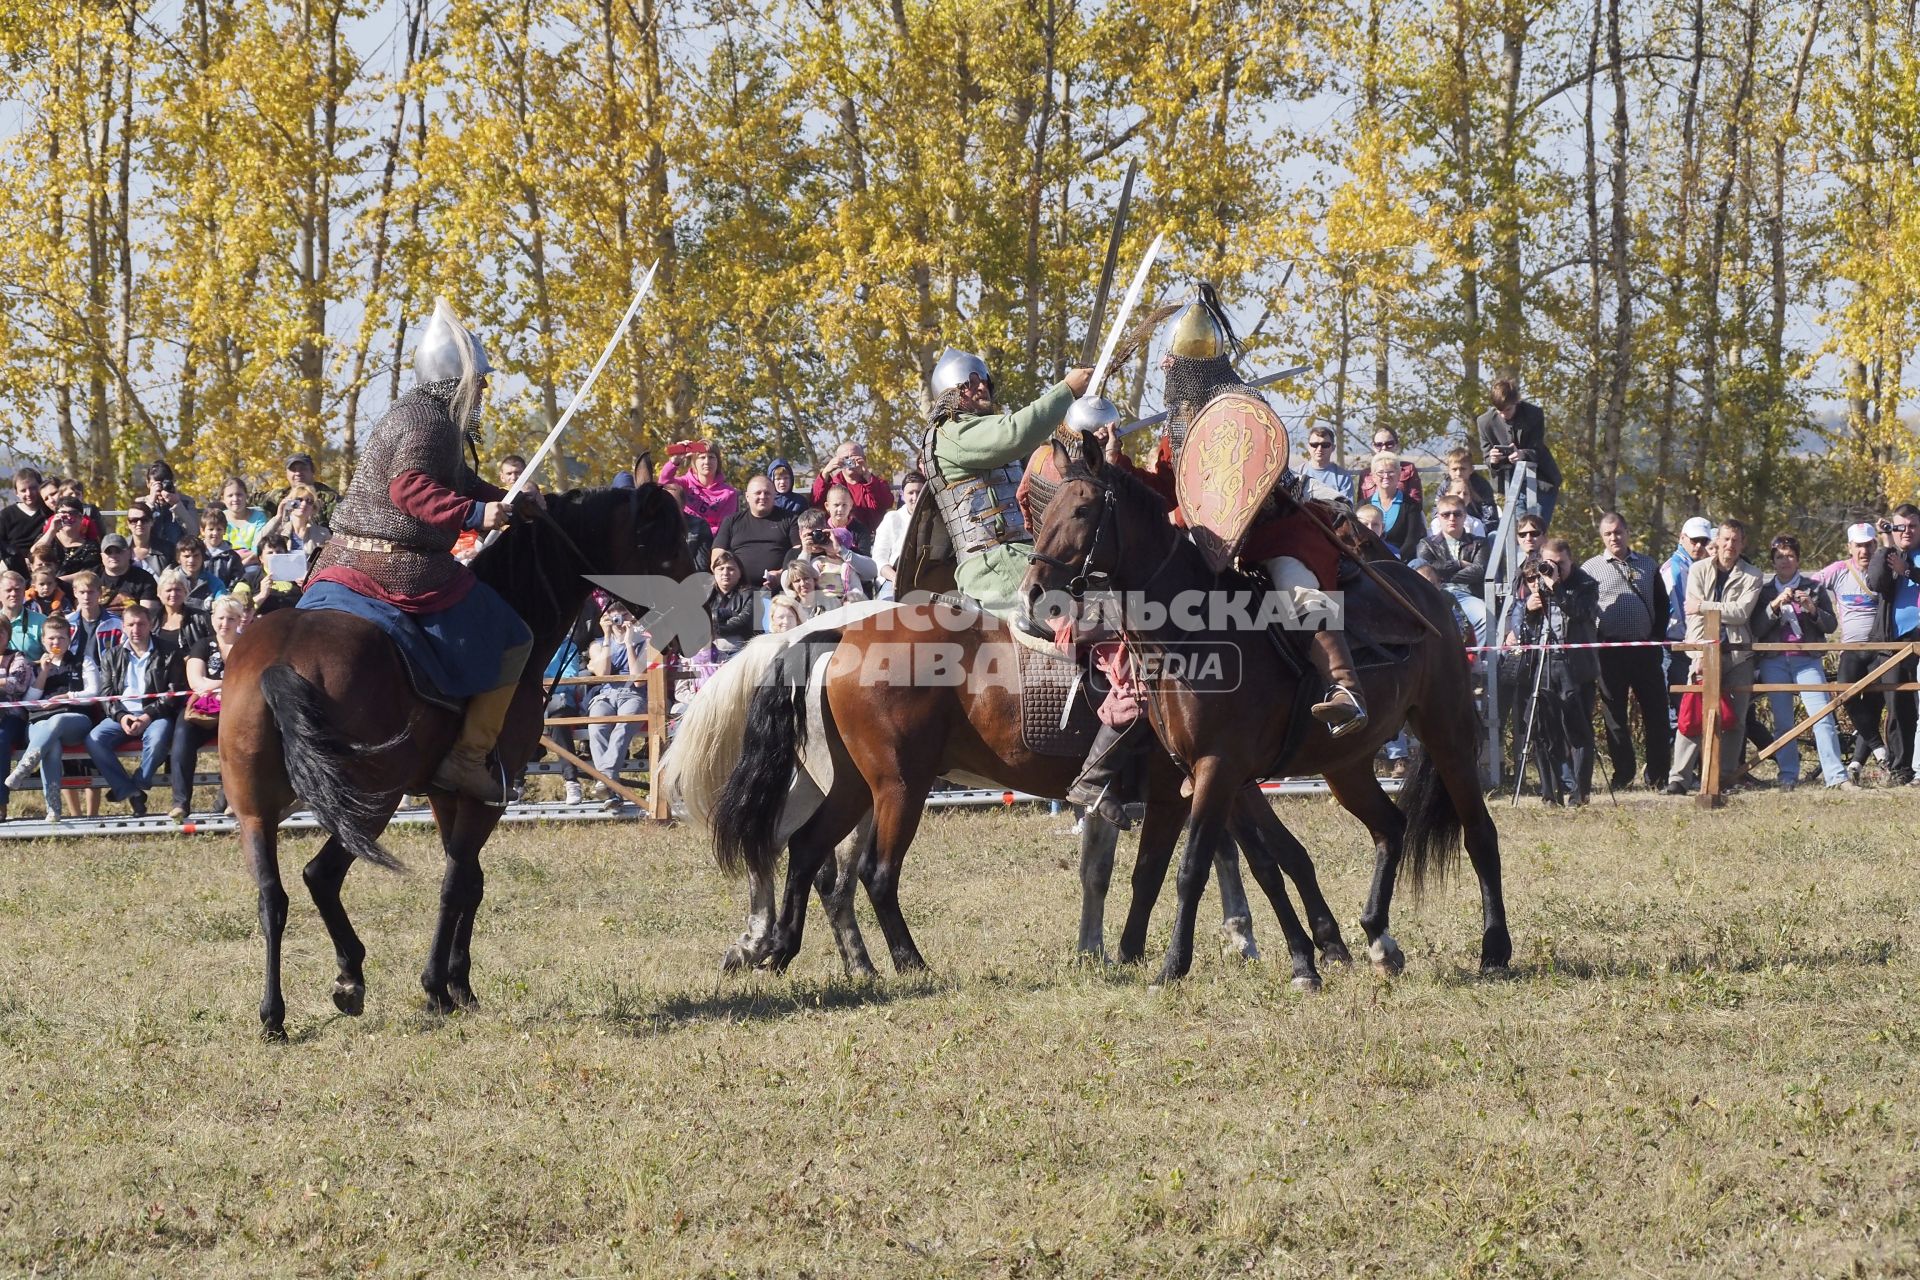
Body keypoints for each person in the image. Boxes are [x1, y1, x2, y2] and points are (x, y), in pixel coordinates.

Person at [300, 299, 534, 801]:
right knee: (514, 636)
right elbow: (409, 488)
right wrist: (473, 516)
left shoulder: (417, 415)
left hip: (340, 561)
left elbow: (456, 480)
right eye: (480, 380)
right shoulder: (430, 422)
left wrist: (507, 500)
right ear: (455, 381)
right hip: (401, 565)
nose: (485, 390)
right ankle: (467, 758)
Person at [1668, 519, 1763, 795]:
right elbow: (1692, 614)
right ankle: (1679, 778)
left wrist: (1704, 606)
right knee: (1691, 714)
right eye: (1725, 539)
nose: (1729, 545)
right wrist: (1697, 652)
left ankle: (1725, 776)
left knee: (1735, 718)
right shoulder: (1698, 570)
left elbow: (1741, 613)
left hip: (1737, 655)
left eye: (1735, 540)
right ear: (1716, 541)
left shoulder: (1753, 575)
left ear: (1742, 544)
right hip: (1702, 653)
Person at [1503, 539, 1599, 804]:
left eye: (1560, 564)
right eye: (1548, 563)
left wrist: (1556, 587)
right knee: (1543, 730)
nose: (1553, 568)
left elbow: (1580, 613)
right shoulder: (1539, 586)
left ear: (1571, 561)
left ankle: (1579, 794)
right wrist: (1529, 611)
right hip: (1543, 664)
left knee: (1577, 731)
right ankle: (1550, 794)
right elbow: (1523, 629)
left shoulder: (1586, 584)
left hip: (1576, 666)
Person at [1581, 512, 1671, 791]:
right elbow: (1584, 610)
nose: (1614, 538)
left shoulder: (1648, 565)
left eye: (1618, 532)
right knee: (1614, 717)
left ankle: (1658, 774)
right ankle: (1624, 772)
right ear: (1601, 537)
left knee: (1656, 714)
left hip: (1645, 651)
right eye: (1608, 534)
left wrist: (1655, 638)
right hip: (1609, 653)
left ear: (1627, 532)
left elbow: (1662, 604)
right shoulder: (1590, 569)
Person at [1754, 534, 1849, 791]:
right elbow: (1757, 628)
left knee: (1822, 716)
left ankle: (1836, 776)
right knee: (1784, 721)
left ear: (1798, 559)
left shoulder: (1814, 587)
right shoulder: (1764, 591)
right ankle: (1787, 774)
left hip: (1807, 659)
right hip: (1774, 660)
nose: (1785, 561)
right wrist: (1774, 606)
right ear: (1773, 561)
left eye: (1790, 556)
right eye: (1779, 557)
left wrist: (1812, 609)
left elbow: (1830, 625)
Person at [82, 600, 178, 816]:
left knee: (159, 736)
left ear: (151, 624)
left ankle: (138, 783)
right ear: (123, 627)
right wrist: (122, 716)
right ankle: (130, 791)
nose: (136, 630)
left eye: (141, 624)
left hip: (155, 715)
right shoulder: (111, 655)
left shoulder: (169, 652)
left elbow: (173, 694)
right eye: (131, 625)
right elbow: (106, 694)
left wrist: (147, 716)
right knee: (94, 738)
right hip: (121, 716)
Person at [4, 613, 93, 822]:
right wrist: (43, 673)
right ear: (43, 641)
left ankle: (25, 765)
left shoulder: (83, 661)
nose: (56, 642)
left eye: (61, 638)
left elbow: (94, 693)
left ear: (69, 640)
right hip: (39, 720)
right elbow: (29, 700)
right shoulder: (35, 666)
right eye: (51, 638)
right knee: (51, 746)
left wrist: (66, 696)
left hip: (73, 718)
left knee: (57, 722)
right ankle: (54, 809)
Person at [163, 594, 245, 821]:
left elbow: (252, 681)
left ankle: (230, 800)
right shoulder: (203, 645)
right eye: (220, 618)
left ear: (239, 620)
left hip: (237, 710)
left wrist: (216, 685)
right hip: (203, 708)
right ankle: (180, 803)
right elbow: (197, 683)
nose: (224, 624)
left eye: (230, 619)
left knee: (237, 743)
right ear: (212, 619)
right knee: (181, 736)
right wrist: (231, 683)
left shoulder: (248, 646)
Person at [1818, 522, 1888, 781]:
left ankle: (1857, 763)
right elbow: (1809, 583)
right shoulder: (1838, 571)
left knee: (1873, 704)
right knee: (1846, 695)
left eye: (1869, 545)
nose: (1864, 551)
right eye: (1858, 545)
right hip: (1850, 647)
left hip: (1881, 648)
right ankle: (1879, 749)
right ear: (1850, 547)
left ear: (1875, 545)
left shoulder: (1882, 570)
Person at [1867, 504, 1920, 786]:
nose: (1906, 532)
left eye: (1912, 526)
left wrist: (1908, 570)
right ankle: (1901, 769)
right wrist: (1886, 544)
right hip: (1895, 643)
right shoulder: (1891, 553)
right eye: (1901, 527)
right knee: (1898, 708)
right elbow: (1876, 581)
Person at [1476, 378, 1561, 528]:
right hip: (1511, 484)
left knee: (1537, 530)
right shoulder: (1485, 422)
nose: (1503, 415)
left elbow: (1537, 448)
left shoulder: (1534, 414)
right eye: (1499, 411)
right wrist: (1494, 460)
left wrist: (1523, 454)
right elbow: (1487, 456)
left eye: (1508, 409)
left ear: (1517, 402)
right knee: (1521, 532)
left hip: (1541, 481)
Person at [585, 603, 646, 805]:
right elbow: (603, 674)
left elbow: (638, 679)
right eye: (613, 613)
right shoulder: (597, 644)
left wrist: (629, 643)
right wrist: (608, 637)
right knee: (596, 727)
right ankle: (611, 788)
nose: (618, 617)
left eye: (624, 613)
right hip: (607, 692)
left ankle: (606, 780)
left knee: (623, 725)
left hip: (633, 694)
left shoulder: (645, 642)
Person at [1664, 516, 1716, 728]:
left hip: (1694, 645)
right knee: (1683, 710)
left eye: (1703, 541)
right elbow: (1682, 613)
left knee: (1695, 708)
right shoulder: (1675, 570)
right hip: (1679, 646)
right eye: (1694, 540)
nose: (1698, 546)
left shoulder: (1698, 567)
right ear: (1682, 538)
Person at [713, 475, 797, 587]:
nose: (763, 497)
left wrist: (783, 574)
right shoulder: (731, 521)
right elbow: (718, 554)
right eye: (758, 493)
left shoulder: (790, 519)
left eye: (767, 493)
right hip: (739, 590)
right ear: (747, 496)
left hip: (777, 590)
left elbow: (799, 552)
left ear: (775, 496)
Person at [811, 440, 894, 541]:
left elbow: (887, 503)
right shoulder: (832, 485)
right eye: (845, 458)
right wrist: (826, 472)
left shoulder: (874, 482)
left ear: (863, 459)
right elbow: (815, 502)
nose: (849, 462)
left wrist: (867, 476)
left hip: (871, 538)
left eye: (854, 458)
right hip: (837, 539)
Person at [791, 509, 870, 609]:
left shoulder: (840, 547)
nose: (813, 538)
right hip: (818, 603)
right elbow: (799, 577)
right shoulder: (795, 554)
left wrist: (840, 550)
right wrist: (806, 551)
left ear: (825, 530)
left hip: (845, 602)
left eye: (816, 534)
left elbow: (870, 573)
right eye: (808, 535)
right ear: (800, 534)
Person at [658, 440, 740, 534]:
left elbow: (724, 527)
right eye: (702, 457)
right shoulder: (685, 483)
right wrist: (675, 461)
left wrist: (701, 534)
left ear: (718, 462)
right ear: (694, 462)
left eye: (711, 457)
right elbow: (664, 483)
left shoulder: (729, 493)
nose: (707, 462)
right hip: (682, 536)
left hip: (710, 541)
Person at [1414, 496, 1489, 599]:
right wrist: (1459, 564)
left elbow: (1479, 571)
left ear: (1465, 516)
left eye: (1457, 514)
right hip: (1436, 596)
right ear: (1438, 517)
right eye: (1446, 514)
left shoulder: (1479, 543)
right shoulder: (1426, 544)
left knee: (1482, 615)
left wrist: (1441, 577)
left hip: (1470, 595)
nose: (1452, 518)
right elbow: (1426, 571)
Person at [871, 470, 926, 597]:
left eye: (919, 492)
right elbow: (879, 559)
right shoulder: (892, 518)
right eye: (910, 493)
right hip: (893, 579)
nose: (915, 497)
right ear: (902, 495)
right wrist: (896, 578)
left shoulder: (935, 519)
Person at [1367, 451, 1424, 560]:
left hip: (1402, 562)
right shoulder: (1363, 505)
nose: (1386, 476)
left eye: (1390, 472)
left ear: (1398, 475)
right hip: (1370, 562)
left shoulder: (1411, 506)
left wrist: (1395, 559)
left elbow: (1412, 540)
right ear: (1373, 477)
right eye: (1381, 472)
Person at [703, 547, 757, 658]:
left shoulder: (752, 594)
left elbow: (743, 623)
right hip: (708, 651)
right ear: (714, 572)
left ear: (740, 573)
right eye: (721, 568)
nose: (725, 573)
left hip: (740, 652)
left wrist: (713, 626)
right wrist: (724, 614)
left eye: (731, 569)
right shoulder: (704, 594)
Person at [31, 496, 101, 580]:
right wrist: (52, 530)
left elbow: (89, 572)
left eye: (73, 513)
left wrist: (57, 581)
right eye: (63, 513)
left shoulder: (91, 545)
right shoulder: (49, 538)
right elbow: (34, 553)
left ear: (81, 517)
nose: (68, 517)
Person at [1434, 446, 1500, 535]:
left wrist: (1480, 531)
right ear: (1448, 470)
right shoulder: (1445, 486)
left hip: (1478, 528)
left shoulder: (1481, 485)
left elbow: (1490, 516)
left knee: (1493, 536)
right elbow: (1437, 509)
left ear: (1471, 469)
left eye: (1462, 469)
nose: (1458, 473)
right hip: (1450, 525)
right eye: (1454, 469)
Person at [265, 453, 342, 527]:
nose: (298, 473)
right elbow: (254, 501)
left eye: (303, 469)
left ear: (312, 471)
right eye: (293, 469)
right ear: (286, 474)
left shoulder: (329, 498)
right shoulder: (279, 496)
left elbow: (344, 529)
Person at [1356, 427, 1423, 507]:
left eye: (1389, 444)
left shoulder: (1408, 469)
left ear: (1397, 445)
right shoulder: (1365, 474)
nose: (1384, 448)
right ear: (1373, 447)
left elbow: (1416, 503)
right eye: (1379, 445)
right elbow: (1361, 507)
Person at [0, 469, 50, 575]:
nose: (29, 493)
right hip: (12, 565)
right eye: (23, 490)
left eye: (33, 488)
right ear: (16, 493)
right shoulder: (6, 515)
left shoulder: (49, 512)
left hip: (45, 565)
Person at [141, 460, 200, 548]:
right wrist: (150, 504)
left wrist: (177, 505)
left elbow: (194, 533)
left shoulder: (186, 502)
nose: (160, 490)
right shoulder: (141, 504)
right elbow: (137, 533)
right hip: (152, 555)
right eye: (155, 485)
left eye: (164, 484)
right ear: (148, 483)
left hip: (178, 553)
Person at [260, 483, 330, 553]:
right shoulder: (278, 532)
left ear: (313, 508)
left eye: (309, 501)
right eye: (298, 500)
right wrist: (278, 516)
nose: (304, 504)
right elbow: (258, 545)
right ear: (289, 504)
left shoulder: (323, 534)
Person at [66, 571, 120, 662]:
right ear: (75, 593)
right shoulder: (67, 623)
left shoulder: (116, 624)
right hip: (72, 673)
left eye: (90, 592)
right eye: (82, 592)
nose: (86, 597)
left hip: (104, 673)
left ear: (100, 592)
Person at [96, 535, 157, 609]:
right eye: (108, 552)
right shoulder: (93, 576)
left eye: (118, 551)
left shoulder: (145, 579)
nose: (113, 555)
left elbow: (148, 614)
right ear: (102, 556)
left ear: (129, 553)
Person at [219, 477, 268, 567]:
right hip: (224, 565)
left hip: (253, 564)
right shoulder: (219, 518)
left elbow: (258, 549)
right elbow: (218, 548)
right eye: (230, 495)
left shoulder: (259, 517)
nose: (235, 499)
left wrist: (242, 565)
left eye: (239, 494)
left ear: (246, 495)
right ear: (223, 499)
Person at [1298, 427, 1355, 503]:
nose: (1319, 449)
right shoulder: (1297, 474)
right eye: (1314, 445)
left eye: (1325, 445)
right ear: (1308, 447)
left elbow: (1346, 508)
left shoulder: (1343, 477)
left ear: (1333, 448)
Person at [174, 538, 229, 611]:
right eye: (186, 556)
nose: (191, 560)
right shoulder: (169, 581)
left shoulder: (216, 584)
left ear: (203, 557)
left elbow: (222, 611)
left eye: (196, 555)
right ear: (178, 559)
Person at [0, 571, 43, 660]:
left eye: (17, 589)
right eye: (8, 590)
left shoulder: (41, 622)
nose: (13, 594)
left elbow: (52, 657)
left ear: (24, 593)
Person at [124, 501, 173, 576]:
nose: (139, 524)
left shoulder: (167, 549)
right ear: (128, 524)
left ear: (152, 522)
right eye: (134, 520)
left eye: (144, 520)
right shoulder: (120, 548)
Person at [199, 509, 244, 587]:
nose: (215, 533)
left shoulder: (232, 557)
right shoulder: (197, 552)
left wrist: (227, 593)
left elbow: (237, 580)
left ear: (225, 531)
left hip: (223, 596)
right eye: (211, 529)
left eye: (219, 529)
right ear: (202, 531)